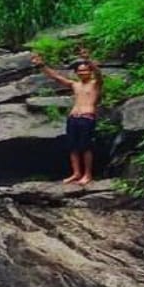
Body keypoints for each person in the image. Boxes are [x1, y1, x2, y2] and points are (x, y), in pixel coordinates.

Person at [30, 47, 102, 185]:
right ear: (76, 73)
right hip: (73, 118)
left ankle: (87, 175)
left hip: (87, 118)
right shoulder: (75, 85)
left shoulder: (95, 84)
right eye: (80, 71)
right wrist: (41, 65)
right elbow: (56, 77)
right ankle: (76, 173)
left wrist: (87, 59)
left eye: (85, 70)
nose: (82, 73)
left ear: (90, 72)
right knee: (72, 147)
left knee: (86, 147)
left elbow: (98, 73)